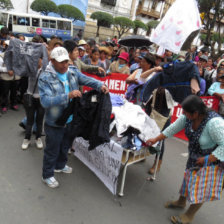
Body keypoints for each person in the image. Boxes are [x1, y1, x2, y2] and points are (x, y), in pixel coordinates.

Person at [146, 95, 224, 224]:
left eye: (185, 112)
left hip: (215, 160)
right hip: (195, 155)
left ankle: (189, 215)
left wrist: (207, 159)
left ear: (196, 113)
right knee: (189, 177)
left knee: (202, 188)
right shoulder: (187, 118)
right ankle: (181, 202)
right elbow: (172, 129)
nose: (183, 114)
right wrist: (155, 139)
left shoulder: (215, 123)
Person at [38, 47, 109, 188]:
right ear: (52, 61)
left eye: (66, 61)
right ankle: (47, 175)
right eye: (61, 62)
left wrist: (100, 85)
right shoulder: (45, 76)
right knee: (52, 149)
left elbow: (87, 79)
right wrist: (68, 96)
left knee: (65, 145)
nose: (64, 65)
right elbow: (45, 101)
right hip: (55, 121)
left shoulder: (72, 71)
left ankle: (60, 165)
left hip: (71, 118)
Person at [21, 58, 45, 150]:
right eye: (36, 58)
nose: (38, 61)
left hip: (41, 99)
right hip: (30, 98)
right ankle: (27, 138)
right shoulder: (30, 69)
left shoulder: (46, 70)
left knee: (39, 120)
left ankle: (38, 138)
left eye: (40, 59)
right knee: (30, 120)